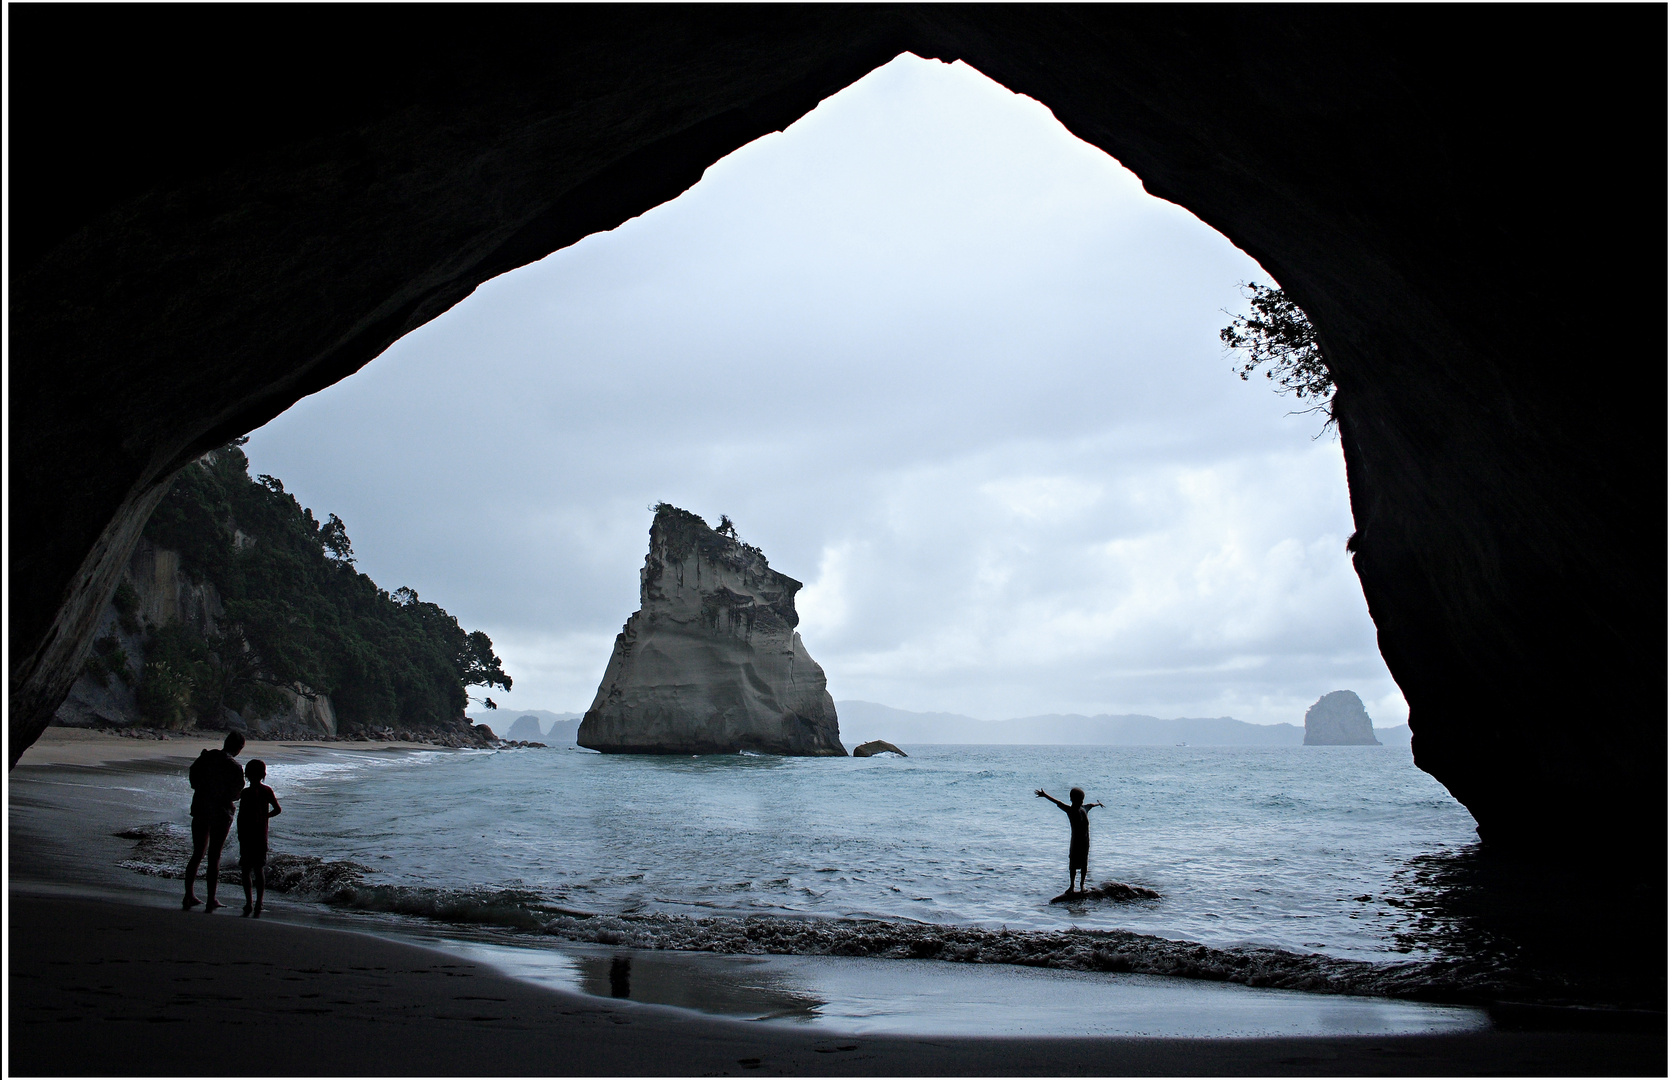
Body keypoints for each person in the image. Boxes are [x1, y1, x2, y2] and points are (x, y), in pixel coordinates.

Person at [183, 732, 245, 912]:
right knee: (214, 855)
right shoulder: (234, 766)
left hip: (201, 806)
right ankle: (211, 899)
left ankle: (189, 895)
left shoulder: (206, 757)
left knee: (198, 853)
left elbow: (193, 779)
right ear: (239, 748)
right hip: (221, 812)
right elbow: (236, 794)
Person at [1035, 786, 1104, 893]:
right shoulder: (1070, 810)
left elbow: (1091, 805)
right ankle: (1072, 886)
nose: (1081, 802)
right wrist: (1045, 795)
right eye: (1079, 800)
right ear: (1072, 799)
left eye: (1082, 800)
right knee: (1073, 864)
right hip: (1076, 842)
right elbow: (1057, 802)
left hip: (1085, 842)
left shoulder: (1084, 808)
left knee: (1084, 863)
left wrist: (1098, 804)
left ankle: (1081, 885)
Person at [236, 759, 282, 917]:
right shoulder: (267, 791)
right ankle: (259, 902)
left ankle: (248, 902)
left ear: (246, 775)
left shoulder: (245, 793)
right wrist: (265, 817)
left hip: (246, 834)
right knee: (258, 868)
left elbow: (240, 817)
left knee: (246, 869)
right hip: (260, 834)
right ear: (264, 774)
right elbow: (277, 809)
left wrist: (240, 832)